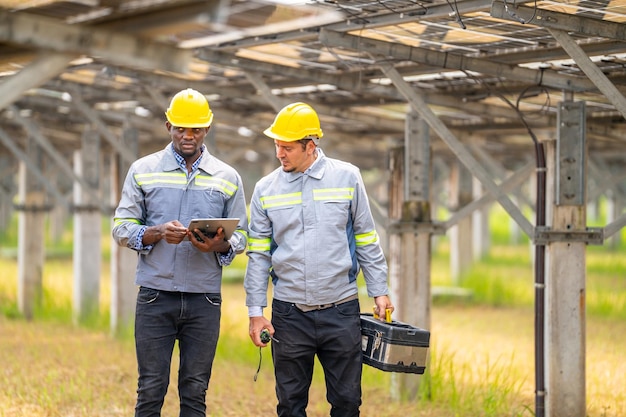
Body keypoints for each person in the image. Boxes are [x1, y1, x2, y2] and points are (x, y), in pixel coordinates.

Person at [244, 102, 394, 417]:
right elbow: (258, 255)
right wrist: (256, 313)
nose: (279, 154)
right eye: (276, 146)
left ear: (310, 146)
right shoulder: (265, 189)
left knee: (347, 403)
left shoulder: (348, 177)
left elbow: (367, 237)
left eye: (287, 148)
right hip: (289, 315)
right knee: (290, 405)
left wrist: (379, 291)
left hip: (341, 312)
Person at [112, 88, 248, 417]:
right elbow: (120, 227)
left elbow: (244, 234)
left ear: (207, 130)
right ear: (168, 126)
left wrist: (222, 244)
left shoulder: (227, 178)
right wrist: (155, 232)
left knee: (195, 390)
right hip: (156, 297)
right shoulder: (142, 170)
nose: (188, 136)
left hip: (204, 300)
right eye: (181, 128)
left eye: (196, 129)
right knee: (151, 388)